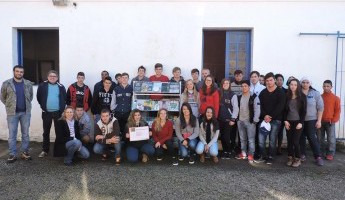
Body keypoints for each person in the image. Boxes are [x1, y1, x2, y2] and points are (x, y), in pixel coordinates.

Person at [1, 65, 33, 163]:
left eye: (21, 72)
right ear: (14, 72)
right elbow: (3, 97)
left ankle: (25, 152)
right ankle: (12, 154)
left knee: (25, 134)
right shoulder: (7, 83)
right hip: (12, 113)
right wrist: (10, 105)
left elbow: (30, 96)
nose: (19, 73)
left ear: (23, 73)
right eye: (17, 71)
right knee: (12, 135)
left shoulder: (28, 83)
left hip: (25, 113)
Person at [256, 72, 286, 165]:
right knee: (261, 140)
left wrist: (270, 116)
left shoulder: (280, 92)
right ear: (265, 82)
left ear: (274, 80)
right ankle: (263, 156)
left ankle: (271, 156)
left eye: (271, 80)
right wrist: (265, 116)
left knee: (272, 140)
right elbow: (260, 106)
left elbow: (280, 107)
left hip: (275, 120)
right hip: (264, 119)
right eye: (267, 81)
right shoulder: (263, 93)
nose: (269, 82)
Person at [37, 70, 66, 158]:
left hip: (58, 113)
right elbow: (39, 97)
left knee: (59, 132)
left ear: (57, 78)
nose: (52, 77)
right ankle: (45, 150)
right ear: (48, 77)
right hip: (46, 113)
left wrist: (61, 109)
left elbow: (64, 98)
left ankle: (58, 150)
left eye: (54, 76)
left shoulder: (61, 87)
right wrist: (43, 107)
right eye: (51, 76)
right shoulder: (42, 86)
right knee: (46, 132)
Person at [299, 77, 324, 166]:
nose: (305, 84)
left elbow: (320, 108)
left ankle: (318, 156)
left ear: (310, 83)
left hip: (311, 120)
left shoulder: (315, 93)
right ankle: (302, 154)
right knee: (301, 137)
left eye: (307, 82)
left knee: (311, 137)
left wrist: (319, 121)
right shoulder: (298, 93)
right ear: (301, 83)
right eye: (303, 82)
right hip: (300, 120)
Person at [284, 79, 307, 167]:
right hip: (289, 122)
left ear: (298, 86)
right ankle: (290, 157)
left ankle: (298, 159)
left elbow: (304, 111)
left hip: (298, 122)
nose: (293, 86)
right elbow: (284, 110)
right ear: (289, 86)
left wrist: (301, 122)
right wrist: (285, 121)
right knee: (289, 141)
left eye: (295, 85)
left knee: (295, 141)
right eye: (291, 84)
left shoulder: (302, 96)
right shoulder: (287, 96)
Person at [237, 80, 260, 163]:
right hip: (240, 121)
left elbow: (257, 109)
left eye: (245, 86)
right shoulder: (239, 97)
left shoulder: (254, 96)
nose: (244, 87)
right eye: (242, 86)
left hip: (250, 121)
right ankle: (243, 153)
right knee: (242, 139)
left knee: (251, 139)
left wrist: (255, 120)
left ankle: (251, 154)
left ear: (249, 87)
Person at [318, 80, 341, 161]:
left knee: (331, 139)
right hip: (320, 121)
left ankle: (330, 153)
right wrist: (318, 120)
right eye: (324, 86)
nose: (326, 88)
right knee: (320, 138)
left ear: (331, 87)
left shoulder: (335, 98)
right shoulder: (320, 97)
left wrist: (334, 120)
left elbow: (338, 110)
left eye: (328, 86)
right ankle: (320, 152)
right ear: (322, 87)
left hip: (330, 122)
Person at [218, 78, 239, 159]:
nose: (225, 84)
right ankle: (224, 151)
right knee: (222, 136)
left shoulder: (232, 94)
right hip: (220, 119)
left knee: (227, 137)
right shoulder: (219, 93)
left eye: (227, 83)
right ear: (222, 84)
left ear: (229, 84)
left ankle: (229, 151)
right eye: (224, 83)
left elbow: (236, 108)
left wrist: (233, 119)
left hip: (228, 119)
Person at [275, 73, 287, 155]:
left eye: (281, 80)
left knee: (280, 132)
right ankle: (272, 147)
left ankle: (279, 148)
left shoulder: (286, 91)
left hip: (283, 115)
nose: (279, 81)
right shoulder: (272, 90)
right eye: (278, 80)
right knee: (273, 132)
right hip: (274, 115)